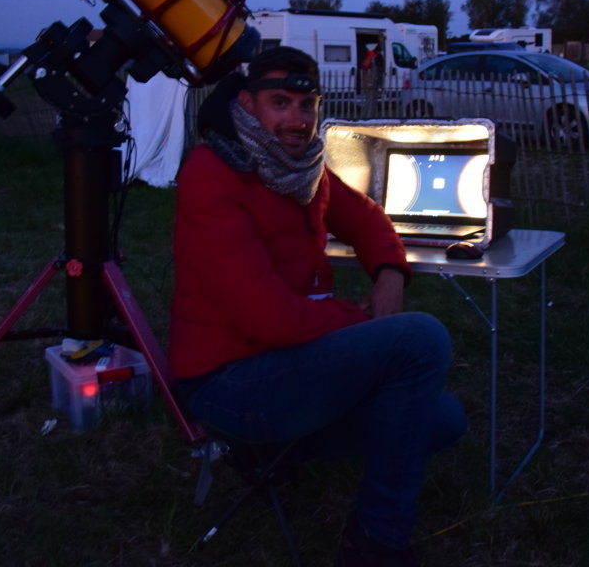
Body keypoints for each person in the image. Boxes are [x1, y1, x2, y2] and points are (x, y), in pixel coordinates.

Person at [169, 46, 466, 566]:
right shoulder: (212, 174)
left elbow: (366, 218)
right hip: (228, 382)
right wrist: (360, 318)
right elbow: (270, 317)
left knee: (443, 419)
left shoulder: (303, 168)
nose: (297, 119)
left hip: (291, 359)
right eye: (280, 103)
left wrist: (390, 274)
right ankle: (376, 540)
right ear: (247, 104)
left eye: (307, 105)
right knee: (420, 341)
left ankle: (271, 450)